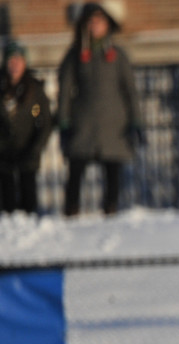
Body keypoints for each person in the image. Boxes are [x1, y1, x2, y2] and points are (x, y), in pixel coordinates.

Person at [56, 0, 141, 216]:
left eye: (99, 21)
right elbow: (64, 89)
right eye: (91, 22)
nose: (94, 26)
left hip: (113, 128)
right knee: (75, 172)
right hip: (83, 126)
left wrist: (135, 121)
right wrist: (64, 120)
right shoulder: (74, 56)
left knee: (112, 174)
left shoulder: (118, 56)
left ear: (107, 25)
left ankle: (110, 212)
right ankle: (71, 212)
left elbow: (130, 91)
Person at [0, 40, 53, 215]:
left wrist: (35, 148)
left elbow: (43, 121)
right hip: (4, 155)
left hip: (28, 153)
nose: (15, 65)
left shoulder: (34, 91)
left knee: (28, 199)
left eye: (18, 60)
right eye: (11, 61)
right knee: (6, 201)